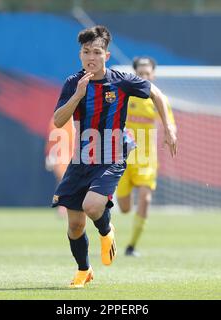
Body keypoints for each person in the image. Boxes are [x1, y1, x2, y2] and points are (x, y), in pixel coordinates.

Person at [51, 26, 177, 288]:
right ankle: (84, 270)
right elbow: (58, 119)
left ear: (106, 56)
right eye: (86, 52)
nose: (91, 58)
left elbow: (157, 94)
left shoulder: (121, 80)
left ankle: (106, 230)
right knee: (74, 224)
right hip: (81, 159)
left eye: (97, 52)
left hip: (112, 156)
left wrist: (169, 128)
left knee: (92, 206)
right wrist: (77, 96)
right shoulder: (73, 83)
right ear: (80, 55)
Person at [116, 57, 177, 257]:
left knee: (146, 198)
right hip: (123, 158)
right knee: (124, 208)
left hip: (146, 159)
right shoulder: (124, 96)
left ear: (153, 75)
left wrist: (171, 133)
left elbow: (170, 124)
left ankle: (131, 247)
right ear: (134, 74)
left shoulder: (159, 99)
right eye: (140, 73)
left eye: (147, 73)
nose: (144, 77)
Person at [45, 116, 75, 218]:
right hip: (62, 156)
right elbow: (52, 137)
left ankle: (70, 206)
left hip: (76, 155)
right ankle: (62, 206)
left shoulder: (81, 116)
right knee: (63, 180)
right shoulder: (58, 117)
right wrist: (50, 155)